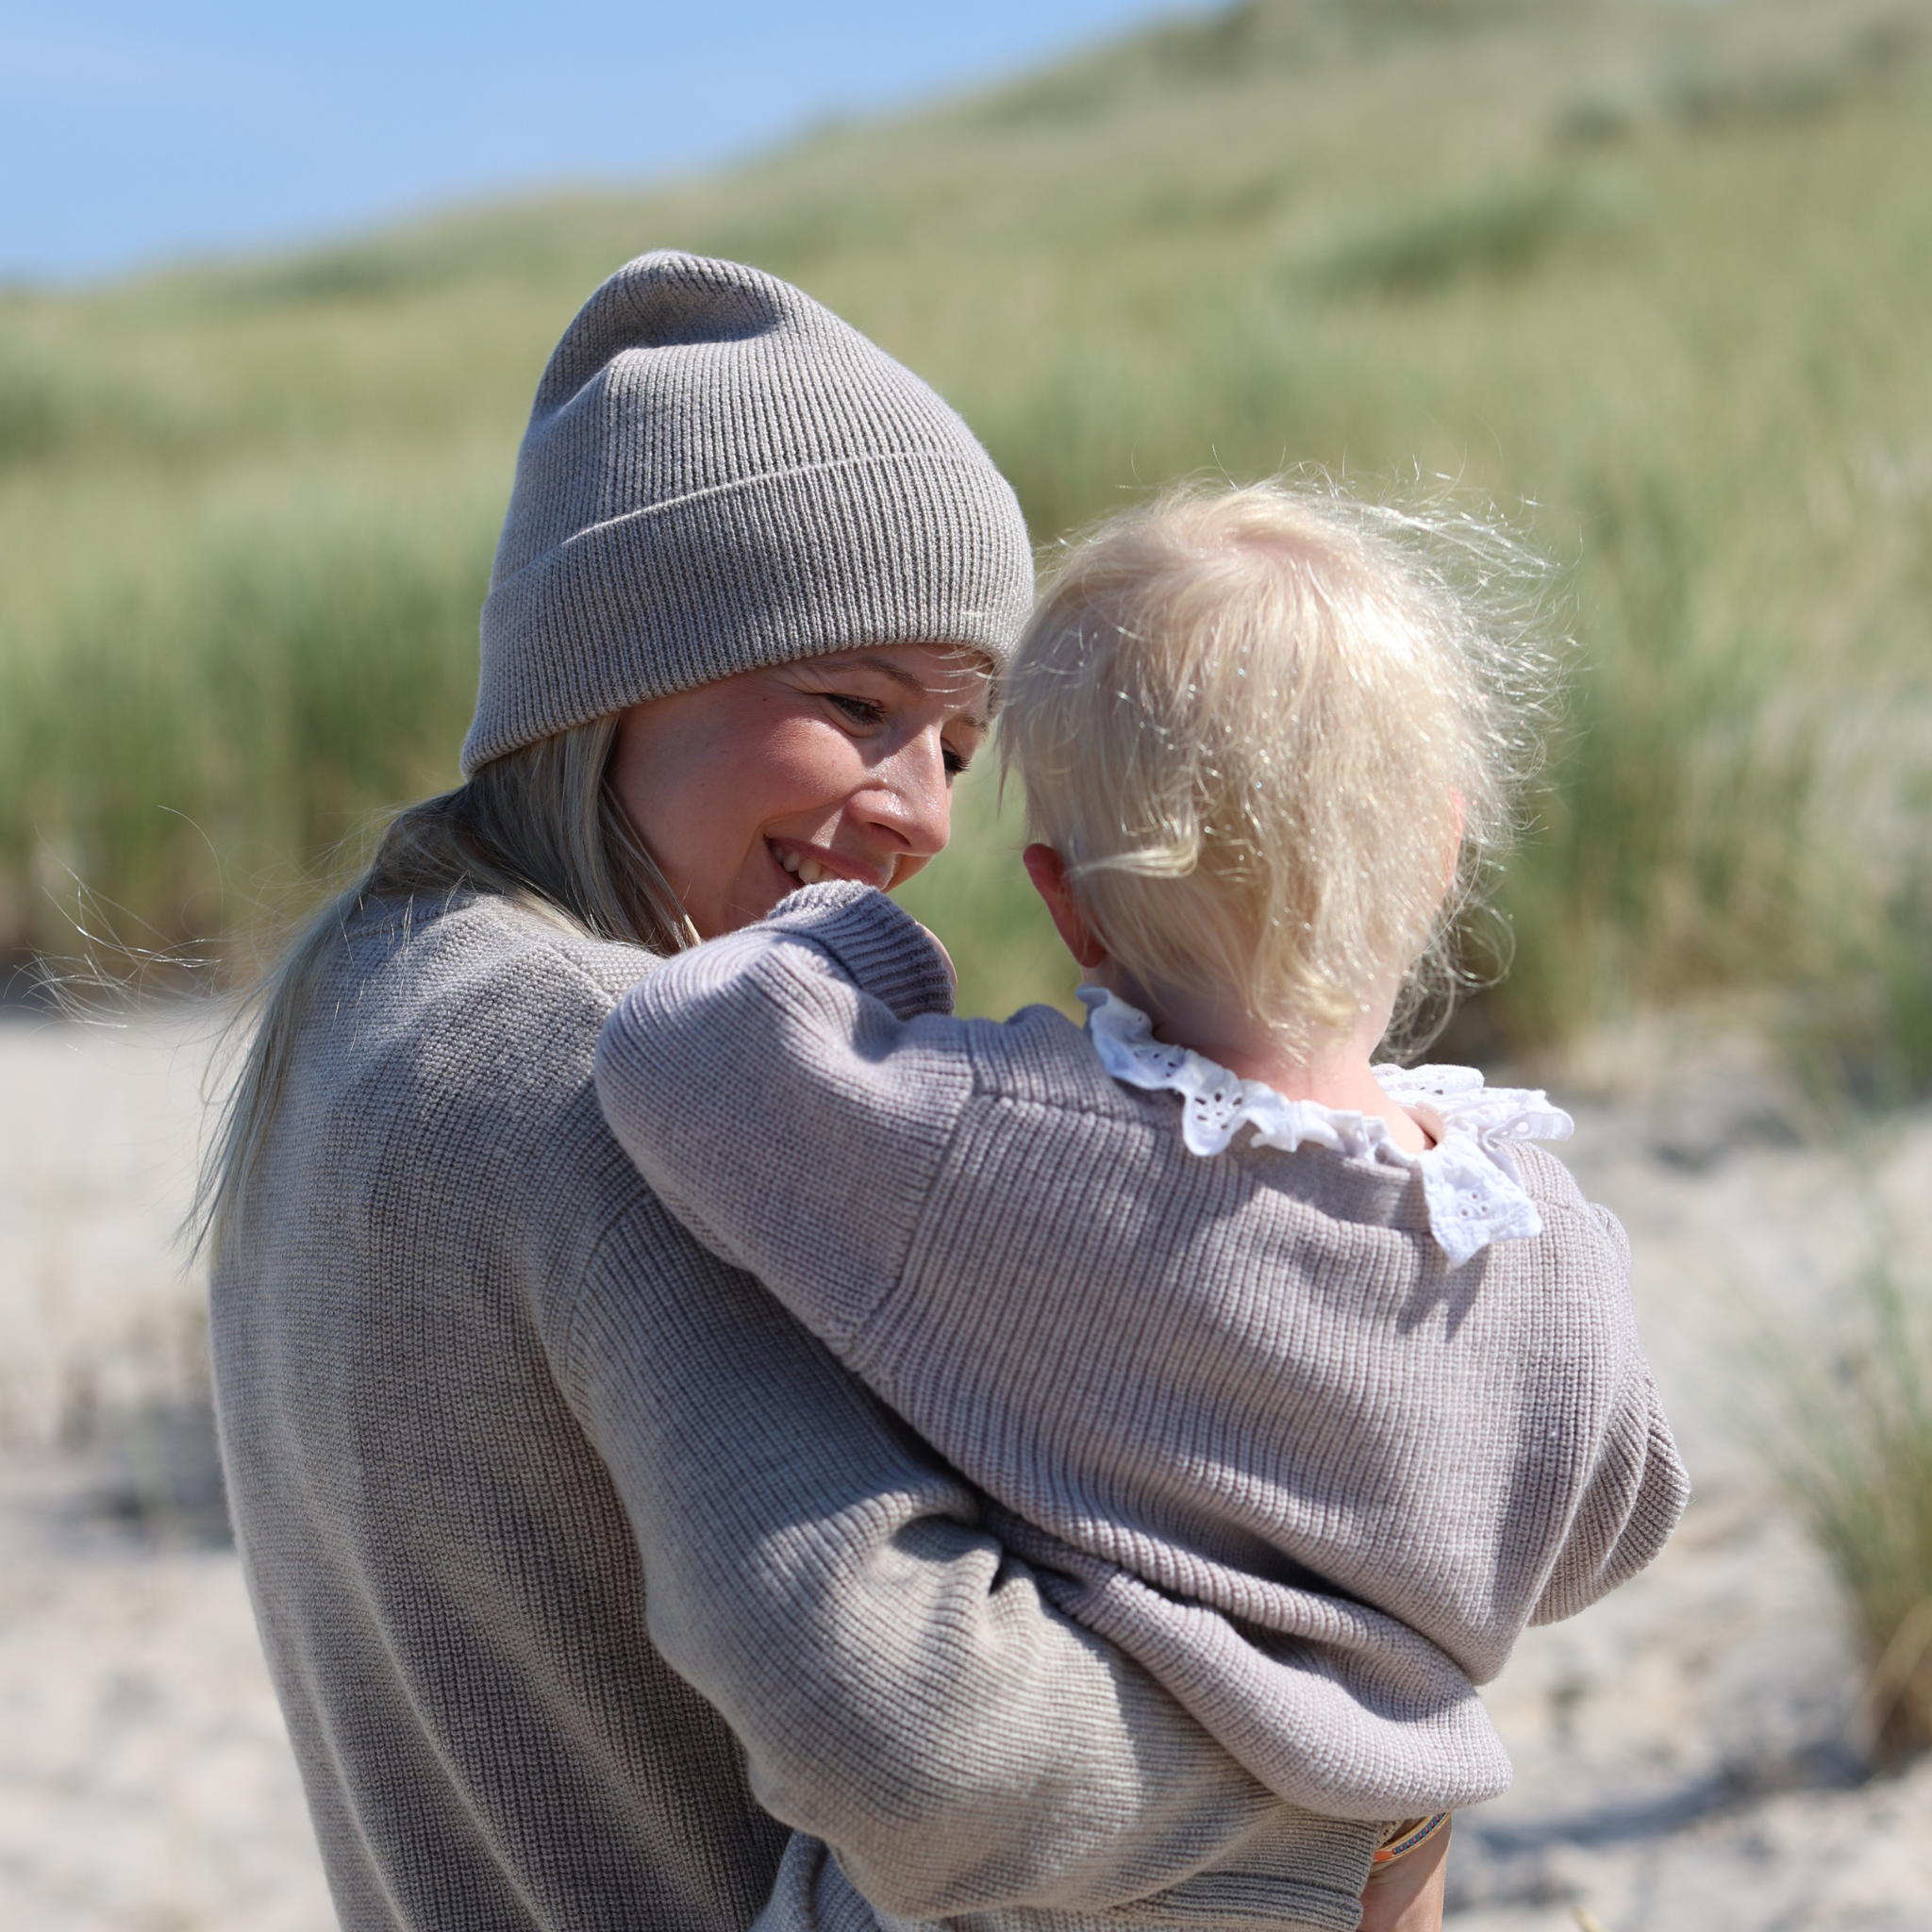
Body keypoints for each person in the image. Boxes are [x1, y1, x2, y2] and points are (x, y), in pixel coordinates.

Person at [203, 258, 1390, 1932]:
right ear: (615, 670)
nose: (922, 816)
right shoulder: (612, 1071)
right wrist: (1352, 1797)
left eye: (961, 747)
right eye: (858, 705)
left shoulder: (357, 1007)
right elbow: (917, 1740)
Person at [593, 481, 1694, 1932]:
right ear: (1439, 853)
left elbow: (685, 1050)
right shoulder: (1534, 1240)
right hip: (1353, 1874)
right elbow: (1618, 1516)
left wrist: (860, 932)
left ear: (1069, 906)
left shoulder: (1007, 1145)